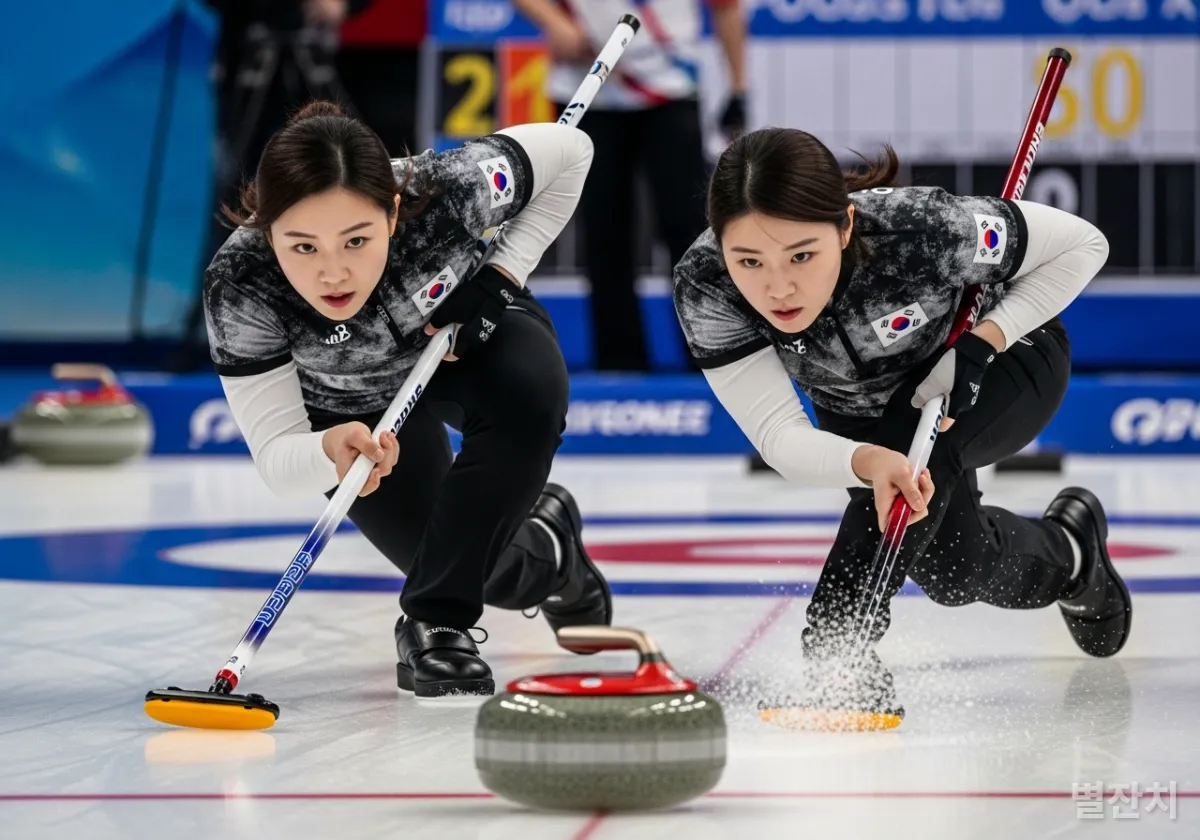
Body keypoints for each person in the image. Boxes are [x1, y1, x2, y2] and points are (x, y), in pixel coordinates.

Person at [671, 127, 1132, 721]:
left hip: (1005, 359)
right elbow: (778, 436)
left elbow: (1082, 245)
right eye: (749, 261)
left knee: (907, 472)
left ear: (845, 227)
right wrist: (865, 461)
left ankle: (839, 655)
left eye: (802, 255)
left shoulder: (923, 231)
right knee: (954, 569)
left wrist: (986, 340)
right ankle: (1073, 554)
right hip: (860, 410)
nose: (778, 286)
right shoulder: (707, 287)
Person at [203, 100, 612, 698]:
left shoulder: (450, 190)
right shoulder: (241, 288)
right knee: (483, 568)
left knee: (529, 391)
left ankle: (436, 621)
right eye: (303, 248)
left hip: (466, 334)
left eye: (356, 239)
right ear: (267, 232)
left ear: (394, 211)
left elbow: (573, 151)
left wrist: (501, 278)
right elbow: (277, 459)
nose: (333, 273)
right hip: (351, 407)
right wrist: (327, 450)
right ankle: (550, 549)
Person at [512, 0, 748, 371]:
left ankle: (708, 356)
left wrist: (738, 87)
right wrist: (555, 22)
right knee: (603, 229)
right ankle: (619, 363)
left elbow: (726, 7)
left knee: (687, 226)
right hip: (589, 86)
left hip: (671, 86)